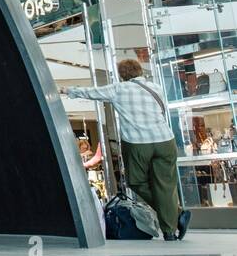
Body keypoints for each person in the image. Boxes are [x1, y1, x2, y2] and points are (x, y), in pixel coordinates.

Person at [65, 58, 190, 240]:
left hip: (138, 142)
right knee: (166, 186)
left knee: (137, 182)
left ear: (121, 74)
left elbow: (92, 93)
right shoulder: (156, 88)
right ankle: (170, 230)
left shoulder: (119, 89)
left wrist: (68, 91)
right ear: (140, 71)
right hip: (165, 140)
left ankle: (177, 215)